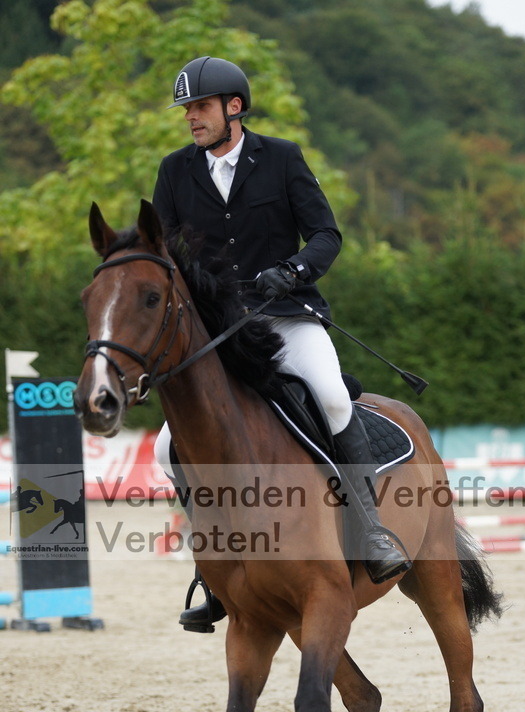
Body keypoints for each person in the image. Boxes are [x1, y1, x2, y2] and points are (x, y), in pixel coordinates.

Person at [153, 56, 411, 631]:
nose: (191, 117)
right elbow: (166, 254)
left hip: (288, 316)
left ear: (234, 108)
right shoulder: (174, 172)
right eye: (187, 109)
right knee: (166, 446)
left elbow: (326, 234)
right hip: (221, 332)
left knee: (333, 397)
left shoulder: (283, 158)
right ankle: (213, 568)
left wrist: (293, 270)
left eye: (200, 107)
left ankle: (370, 531)